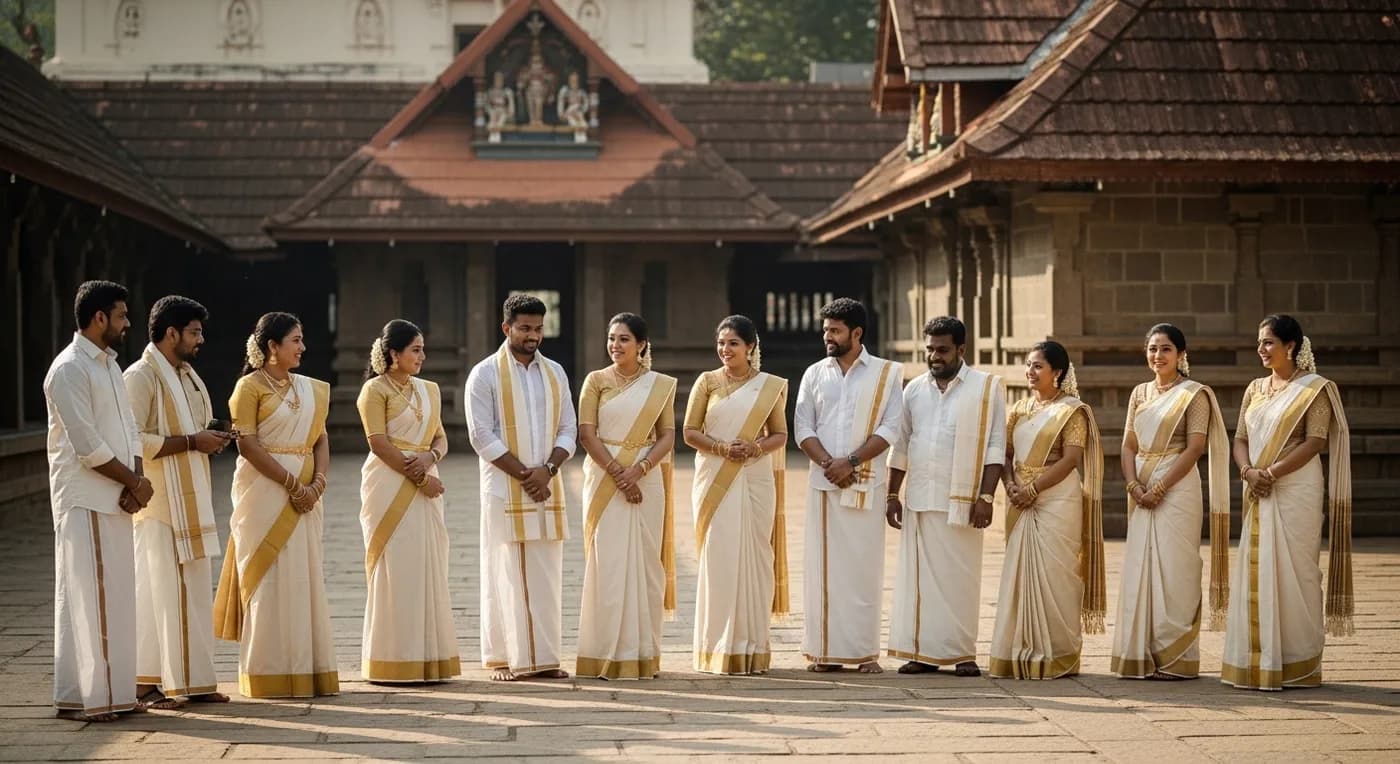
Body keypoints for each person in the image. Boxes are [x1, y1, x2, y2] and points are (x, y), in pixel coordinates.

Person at [1222, 314, 1352, 691]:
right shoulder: (1255, 388)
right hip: (1257, 485)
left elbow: (1315, 441)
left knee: (1297, 571)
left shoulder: (1316, 389)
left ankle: (1297, 662)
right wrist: (1248, 472)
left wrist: (1272, 473)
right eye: (1259, 343)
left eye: (1268, 343)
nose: (1261, 350)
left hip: (1295, 487)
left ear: (1290, 346)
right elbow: (1240, 437)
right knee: (1256, 566)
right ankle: (1254, 661)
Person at [212, 312, 337, 698]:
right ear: (272, 347)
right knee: (265, 577)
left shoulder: (310, 389)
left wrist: (316, 484)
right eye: (295, 340)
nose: (303, 347)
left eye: (302, 340)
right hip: (263, 493)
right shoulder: (248, 388)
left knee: (303, 575)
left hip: (306, 496)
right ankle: (267, 673)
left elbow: (320, 438)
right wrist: (290, 484)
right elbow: (246, 445)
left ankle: (307, 670)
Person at [45, 281, 151, 722]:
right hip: (85, 496)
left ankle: (113, 693)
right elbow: (87, 444)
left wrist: (137, 479)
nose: (128, 324)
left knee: (117, 597)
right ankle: (91, 698)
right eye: (122, 316)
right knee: (88, 596)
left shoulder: (108, 365)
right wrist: (131, 481)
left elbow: (128, 429)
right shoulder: (69, 368)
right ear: (99, 318)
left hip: (117, 495)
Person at [123, 296, 233, 708]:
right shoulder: (140, 377)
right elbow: (130, 439)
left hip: (192, 499)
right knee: (160, 595)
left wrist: (213, 436)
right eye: (194, 331)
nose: (201, 339)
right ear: (171, 333)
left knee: (186, 593)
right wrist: (191, 441)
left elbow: (194, 427)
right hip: (161, 506)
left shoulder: (187, 375)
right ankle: (161, 684)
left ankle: (187, 681)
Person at [466, 294, 577, 681]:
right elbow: (481, 435)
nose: (533, 336)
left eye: (538, 328)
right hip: (503, 485)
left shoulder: (556, 373)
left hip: (547, 485)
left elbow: (569, 429)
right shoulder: (485, 374)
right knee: (507, 570)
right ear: (506, 328)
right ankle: (508, 659)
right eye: (525, 328)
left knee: (546, 572)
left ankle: (545, 659)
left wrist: (547, 470)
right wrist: (525, 475)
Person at [885, 317, 1005, 677]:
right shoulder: (914, 390)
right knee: (919, 581)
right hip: (921, 497)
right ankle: (922, 653)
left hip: (964, 501)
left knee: (961, 579)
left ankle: (961, 653)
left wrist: (987, 495)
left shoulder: (986, 388)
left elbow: (996, 444)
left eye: (942, 349)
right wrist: (892, 493)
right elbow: (902, 444)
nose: (935, 356)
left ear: (961, 350)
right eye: (930, 350)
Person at [1112, 323, 1229, 681]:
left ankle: (1176, 658)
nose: (1157, 356)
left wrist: (1159, 488)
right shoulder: (1139, 393)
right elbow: (1128, 445)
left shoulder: (1194, 395)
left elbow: (1195, 447)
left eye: (1165, 349)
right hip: (1141, 489)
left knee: (1176, 570)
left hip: (1176, 490)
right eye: (1152, 349)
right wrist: (1134, 485)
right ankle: (1142, 654)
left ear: (1181, 354)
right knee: (1142, 568)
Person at [794, 298, 903, 673]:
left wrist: (851, 461)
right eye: (825, 329)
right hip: (824, 484)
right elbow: (802, 427)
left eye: (835, 330)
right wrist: (829, 463)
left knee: (862, 569)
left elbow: (891, 428)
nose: (828, 336)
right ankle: (824, 652)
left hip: (865, 483)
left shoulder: (886, 374)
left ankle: (863, 653)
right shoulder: (814, 373)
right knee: (823, 569)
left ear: (857, 333)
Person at [990, 340, 1105, 679]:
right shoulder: (1019, 409)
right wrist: (1010, 485)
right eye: (1028, 365)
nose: (1030, 371)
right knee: (1019, 574)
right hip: (1019, 499)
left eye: (1038, 366)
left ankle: (1057, 654)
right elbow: (1006, 454)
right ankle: (1017, 652)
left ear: (1057, 372)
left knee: (1057, 576)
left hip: (1056, 499)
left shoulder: (1072, 410)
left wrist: (1034, 489)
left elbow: (1071, 459)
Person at [683, 315, 789, 675]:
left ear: (750, 347)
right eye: (721, 343)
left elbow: (779, 435)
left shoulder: (769, 386)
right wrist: (722, 448)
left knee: (756, 556)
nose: (725, 350)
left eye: (733, 344)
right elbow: (689, 431)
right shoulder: (707, 382)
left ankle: (752, 648)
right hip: (715, 473)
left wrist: (755, 449)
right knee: (719, 557)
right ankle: (715, 648)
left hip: (755, 477)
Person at [575, 313, 677, 680]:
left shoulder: (659, 385)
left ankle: (642, 654)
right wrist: (619, 472)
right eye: (612, 338)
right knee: (608, 563)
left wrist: (640, 469)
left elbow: (667, 434)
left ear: (642, 345)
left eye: (624, 339)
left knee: (647, 566)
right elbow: (587, 434)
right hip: (604, 477)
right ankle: (603, 654)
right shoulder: (595, 381)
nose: (615, 346)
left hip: (646, 481)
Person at [357, 319, 459, 683]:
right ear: (393, 354)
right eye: (414, 349)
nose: (422, 356)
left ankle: (429, 658)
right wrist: (418, 477)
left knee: (427, 566)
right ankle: (392, 659)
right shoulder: (374, 390)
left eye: (422, 349)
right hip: (389, 482)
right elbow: (377, 442)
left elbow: (441, 439)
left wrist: (430, 462)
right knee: (395, 567)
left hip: (427, 479)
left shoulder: (429, 389)